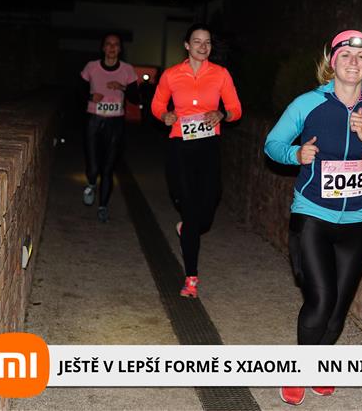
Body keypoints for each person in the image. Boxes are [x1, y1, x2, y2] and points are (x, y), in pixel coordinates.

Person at [265, 30, 362, 405]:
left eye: (361, 57)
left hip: (357, 222)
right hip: (312, 216)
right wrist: (295, 155)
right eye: (346, 56)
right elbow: (272, 144)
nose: (353, 63)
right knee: (321, 300)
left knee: (339, 310)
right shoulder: (308, 103)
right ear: (333, 61)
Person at [151, 23, 242, 299]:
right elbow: (157, 105)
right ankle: (191, 278)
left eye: (207, 42)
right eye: (197, 41)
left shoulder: (220, 74)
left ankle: (188, 228)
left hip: (208, 146)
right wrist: (165, 115)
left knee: (211, 201)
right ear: (187, 45)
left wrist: (222, 114)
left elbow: (236, 109)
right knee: (190, 211)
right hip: (180, 147)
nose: (203, 46)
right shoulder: (171, 75)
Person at [80, 33, 139, 223]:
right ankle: (91, 183)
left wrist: (122, 87)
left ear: (120, 49)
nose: (112, 47)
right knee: (93, 166)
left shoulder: (127, 70)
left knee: (108, 167)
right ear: (103, 47)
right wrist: (90, 97)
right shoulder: (92, 67)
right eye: (108, 44)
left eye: (116, 44)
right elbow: (77, 91)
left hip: (115, 122)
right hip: (94, 120)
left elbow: (136, 98)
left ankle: (103, 206)